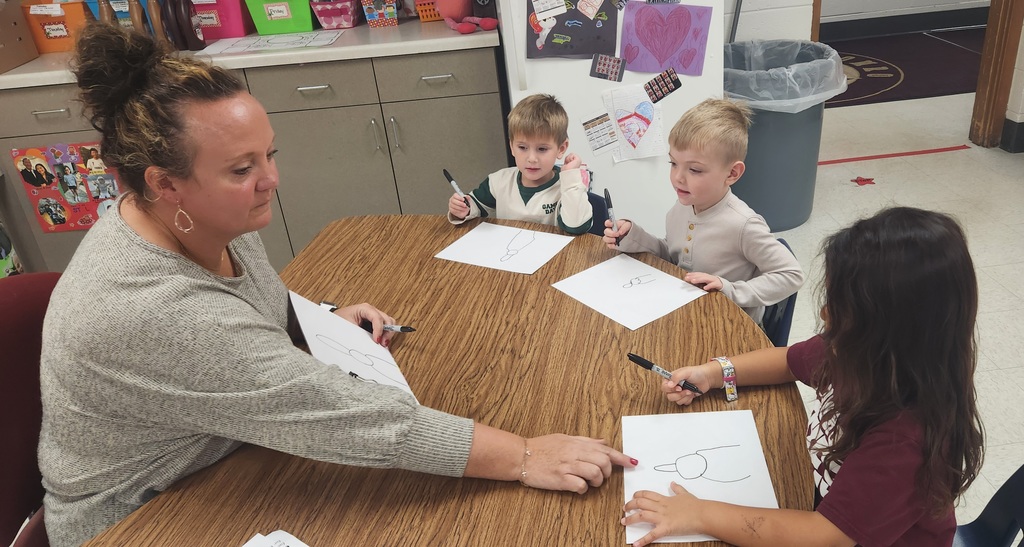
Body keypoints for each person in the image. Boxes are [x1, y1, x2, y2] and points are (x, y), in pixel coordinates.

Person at [38, 24, 635, 547]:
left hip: (219, 455)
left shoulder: (196, 218)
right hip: (143, 517)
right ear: (165, 184)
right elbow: (352, 418)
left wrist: (315, 317)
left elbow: (246, 307)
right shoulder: (155, 309)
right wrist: (524, 454)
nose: (271, 179)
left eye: (269, 154)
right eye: (242, 169)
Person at [622, 207, 985, 547]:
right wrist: (715, 373)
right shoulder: (859, 355)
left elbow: (824, 536)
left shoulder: (904, 441)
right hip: (818, 500)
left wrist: (700, 514)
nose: (825, 314)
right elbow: (789, 361)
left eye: (841, 308)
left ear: (890, 333)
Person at [603, 98, 803, 325]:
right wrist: (633, 237)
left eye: (695, 170)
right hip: (687, 314)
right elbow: (672, 256)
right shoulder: (681, 207)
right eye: (673, 163)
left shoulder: (744, 224)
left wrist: (730, 289)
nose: (678, 177)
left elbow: (791, 275)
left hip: (728, 327)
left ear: (732, 174)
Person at [447, 93, 594, 235]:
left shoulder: (567, 187)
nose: (531, 158)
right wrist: (463, 209)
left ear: (561, 149)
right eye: (522, 147)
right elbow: (475, 205)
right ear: (512, 147)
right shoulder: (499, 181)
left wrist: (570, 177)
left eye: (542, 149)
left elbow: (576, 227)